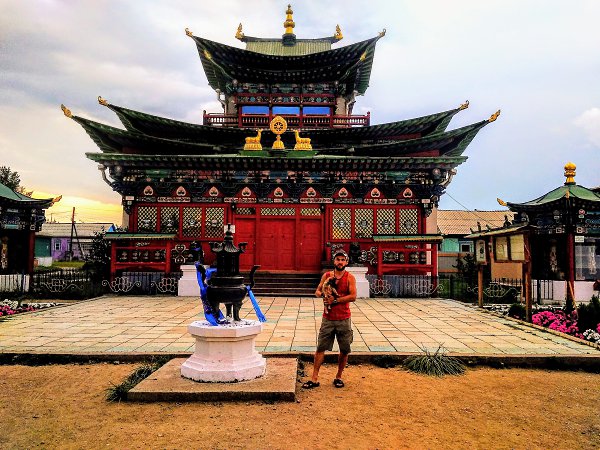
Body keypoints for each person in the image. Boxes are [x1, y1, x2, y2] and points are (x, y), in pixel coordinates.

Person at [302, 249, 357, 389]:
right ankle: (314, 378)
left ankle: (339, 376)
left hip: (344, 318)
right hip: (328, 318)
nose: (340, 262)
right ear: (334, 261)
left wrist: (336, 300)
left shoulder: (350, 277)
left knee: (344, 349)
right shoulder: (326, 276)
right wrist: (323, 295)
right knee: (321, 347)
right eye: (338, 259)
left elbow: (353, 296)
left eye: (342, 260)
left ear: (346, 262)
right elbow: (317, 291)